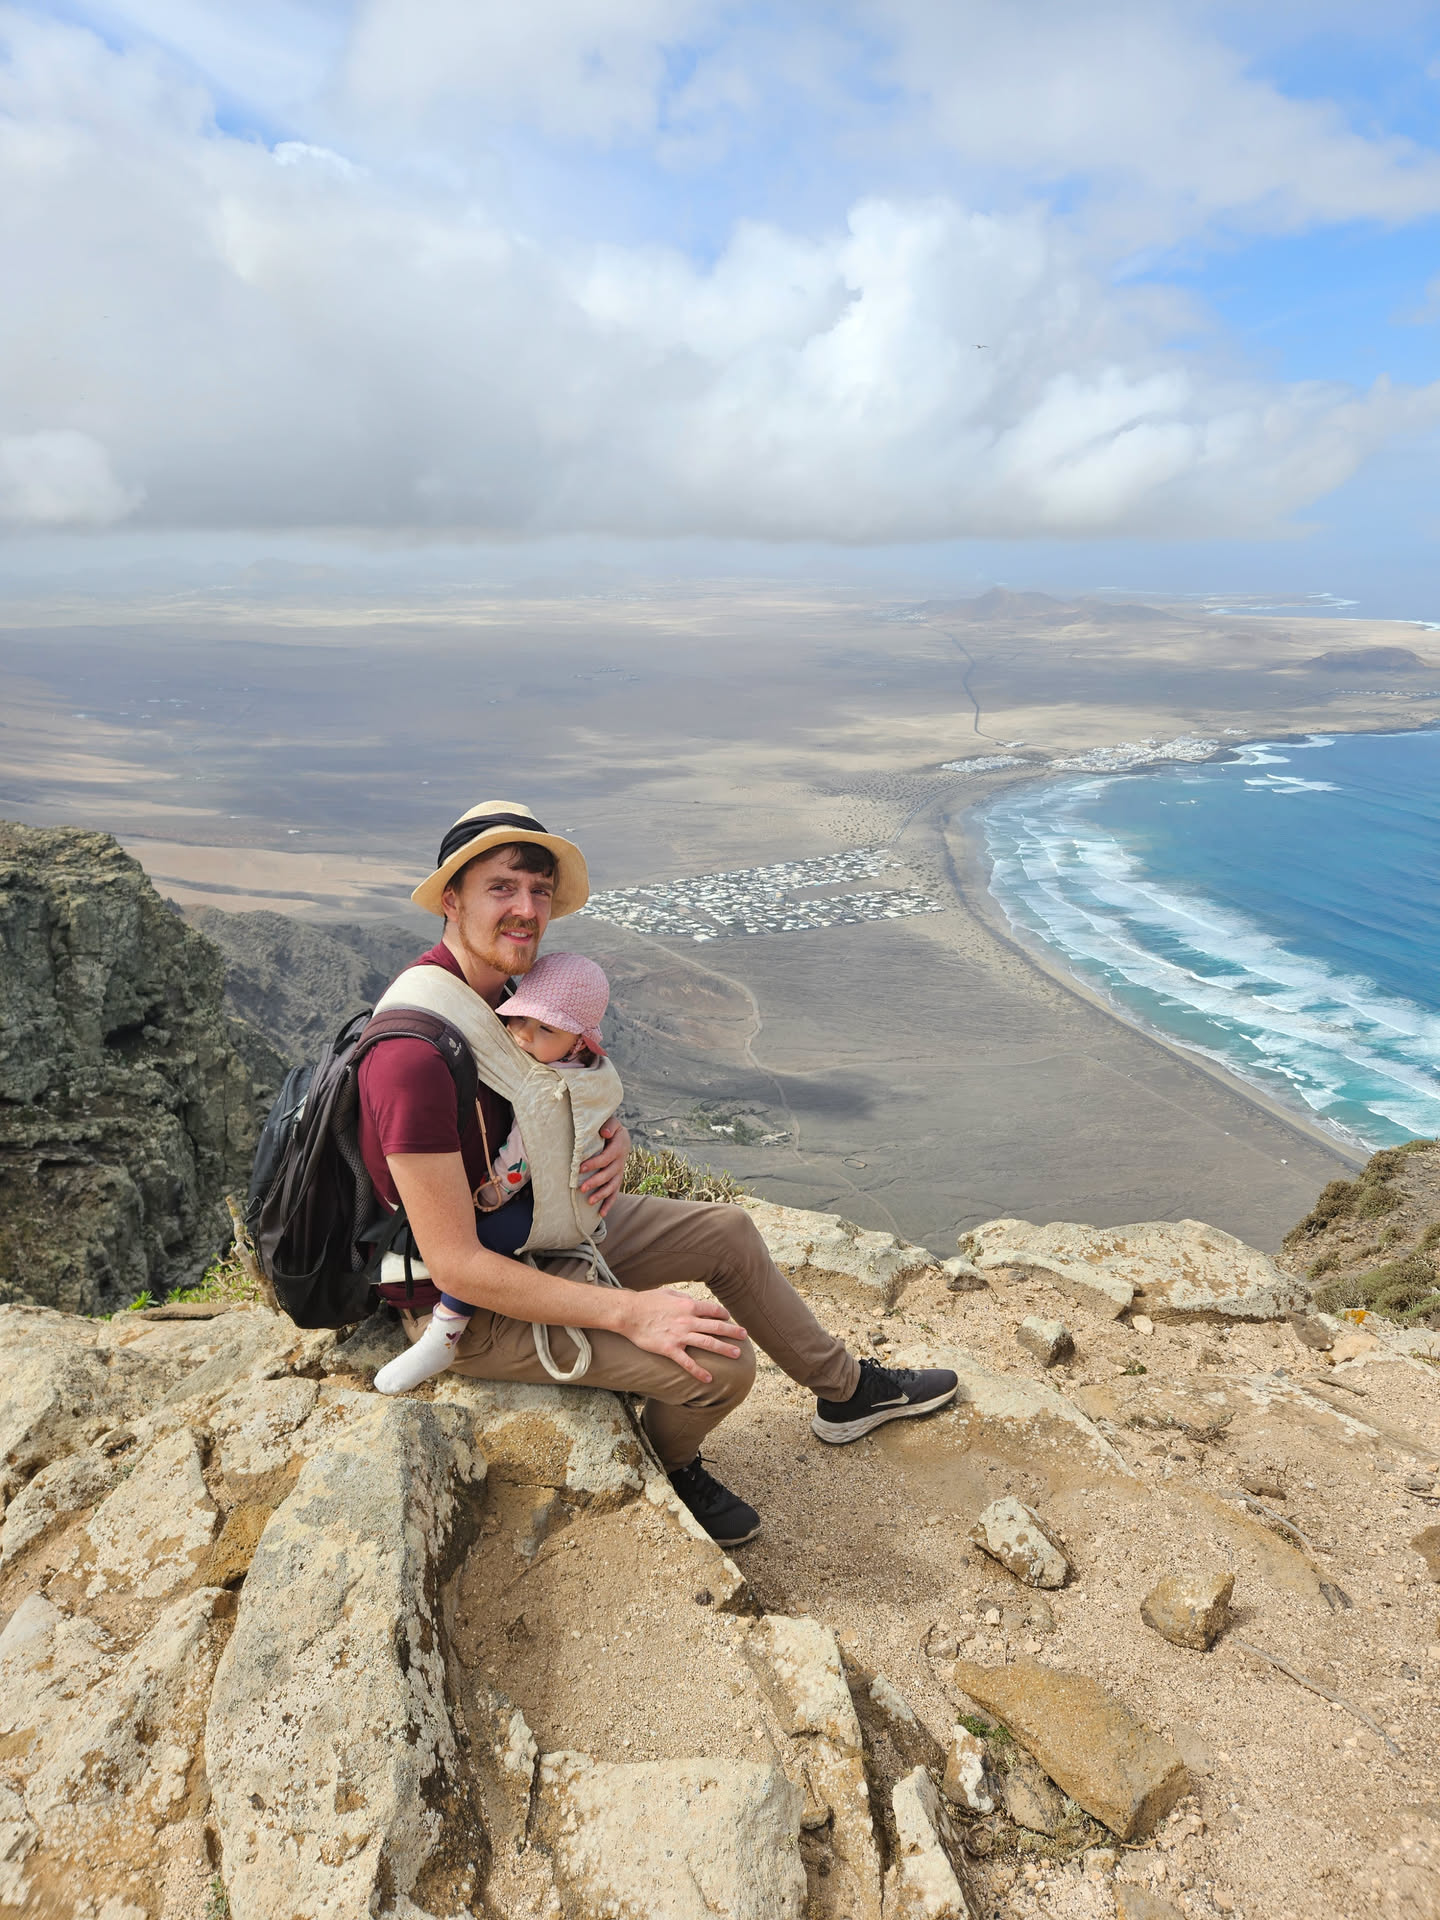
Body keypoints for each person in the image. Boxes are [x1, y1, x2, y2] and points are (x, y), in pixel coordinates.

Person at [356, 799, 958, 1546]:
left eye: (540, 891)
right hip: (469, 1308)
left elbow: (550, 1096)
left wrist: (610, 1139)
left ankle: (848, 1392)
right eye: (501, 888)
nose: (527, 910)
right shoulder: (412, 1056)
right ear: (451, 899)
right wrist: (629, 1313)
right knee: (722, 1364)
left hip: (541, 1227)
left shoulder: (511, 998)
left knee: (728, 1233)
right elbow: (457, 1264)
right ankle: (669, 1464)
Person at [373, 950, 619, 1395]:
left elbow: (521, 1157)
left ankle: (444, 1334)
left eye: (545, 1029)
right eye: (519, 1018)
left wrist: (494, 1193)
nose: (523, 1035)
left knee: (483, 1241)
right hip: (577, 1197)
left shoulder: (544, 1087)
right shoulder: (582, 1068)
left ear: (578, 1043)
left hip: (548, 1202)